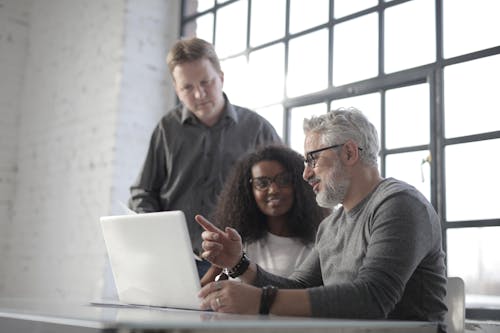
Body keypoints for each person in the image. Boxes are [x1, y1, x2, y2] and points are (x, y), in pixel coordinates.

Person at [195, 107, 447, 330]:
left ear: (349, 153)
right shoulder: (330, 225)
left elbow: (372, 298)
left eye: (312, 159)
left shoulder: (399, 204)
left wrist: (260, 301)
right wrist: (239, 264)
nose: (305, 174)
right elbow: (298, 288)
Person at [128, 37, 281, 277]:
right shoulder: (166, 129)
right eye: (187, 87)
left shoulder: (258, 130)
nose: (199, 94)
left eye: (206, 82)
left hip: (242, 262)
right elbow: (143, 193)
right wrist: (157, 235)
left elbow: (282, 194)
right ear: (177, 91)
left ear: (221, 78)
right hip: (175, 262)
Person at [200, 145, 329, 286]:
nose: (273, 190)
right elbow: (201, 291)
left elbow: (301, 298)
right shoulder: (237, 240)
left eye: (284, 180)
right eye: (262, 183)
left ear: (298, 184)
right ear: (249, 191)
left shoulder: (317, 244)